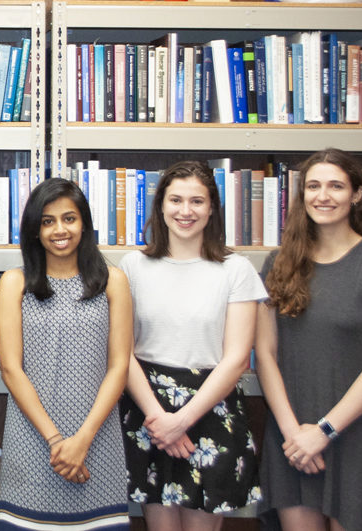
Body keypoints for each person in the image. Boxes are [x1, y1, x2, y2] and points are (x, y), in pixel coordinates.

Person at [255, 148, 362, 531]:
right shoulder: (278, 263)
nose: (323, 196)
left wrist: (323, 432)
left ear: (356, 194)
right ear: (302, 194)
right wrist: (295, 435)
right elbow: (266, 354)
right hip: (290, 434)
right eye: (314, 186)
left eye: (336, 186)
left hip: (352, 432)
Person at [118, 161, 266, 530]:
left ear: (212, 208)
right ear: (161, 206)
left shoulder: (236, 270)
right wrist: (160, 421)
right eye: (176, 200)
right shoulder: (132, 266)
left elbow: (236, 360)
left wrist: (180, 421)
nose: (186, 211)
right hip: (149, 410)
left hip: (211, 409)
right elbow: (123, 353)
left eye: (197, 201)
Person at [0, 178, 131, 530]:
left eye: (69, 218)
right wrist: (57, 441)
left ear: (84, 223)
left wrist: (82, 440)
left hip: (97, 439)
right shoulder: (15, 283)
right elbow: (11, 369)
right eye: (47, 221)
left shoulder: (112, 280)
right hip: (32, 440)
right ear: (34, 230)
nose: (60, 230)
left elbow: (119, 366)